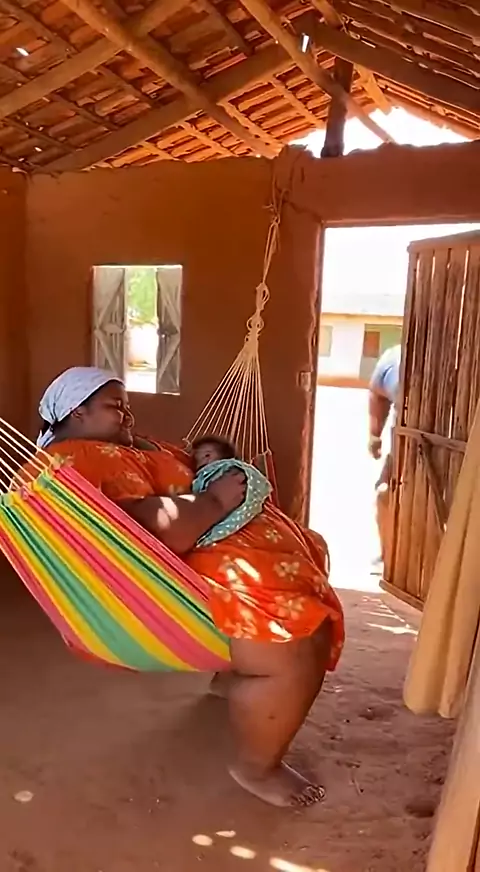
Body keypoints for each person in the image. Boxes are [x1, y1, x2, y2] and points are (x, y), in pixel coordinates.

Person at [32, 366, 344, 808]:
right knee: (297, 637)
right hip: (187, 575)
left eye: (128, 407)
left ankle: (231, 676)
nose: (128, 416)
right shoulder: (77, 458)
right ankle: (257, 767)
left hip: (223, 549)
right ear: (77, 412)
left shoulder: (118, 446)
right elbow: (142, 531)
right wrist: (215, 500)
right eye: (115, 406)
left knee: (306, 565)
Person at [368, 344, 401, 568]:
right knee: (384, 494)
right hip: (406, 446)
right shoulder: (394, 358)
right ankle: (387, 556)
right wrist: (375, 434)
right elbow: (377, 392)